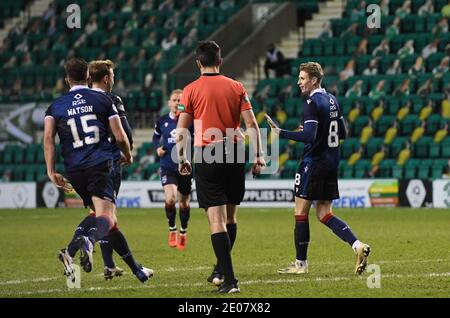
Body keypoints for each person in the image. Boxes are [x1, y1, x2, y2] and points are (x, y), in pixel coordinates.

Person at [44, 58, 152, 284]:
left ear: (66, 79)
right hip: (101, 164)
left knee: (99, 215)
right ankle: (88, 241)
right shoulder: (103, 100)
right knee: (107, 218)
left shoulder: (55, 106)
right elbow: (122, 136)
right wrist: (129, 155)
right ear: (87, 76)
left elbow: (48, 139)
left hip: (74, 169)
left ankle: (75, 253)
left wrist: (51, 170)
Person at [175, 41, 265, 293]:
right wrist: (259, 156)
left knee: (216, 220)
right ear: (220, 61)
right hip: (236, 151)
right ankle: (220, 270)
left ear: (198, 63)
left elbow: (182, 129)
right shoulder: (236, 86)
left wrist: (182, 159)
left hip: (208, 152)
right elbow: (251, 124)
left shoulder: (190, 90)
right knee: (230, 217)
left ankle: (231, 281)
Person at [265, 62, 371, 275]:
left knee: (300, 212)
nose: (299, 82)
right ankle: (357, 245)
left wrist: (281, 132)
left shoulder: (311, 101)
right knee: (324, 213)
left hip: (312, 164)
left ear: (314, 80)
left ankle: (300, 264)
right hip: (331, 164)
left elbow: (309, 136)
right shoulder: (332, 99)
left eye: (302, 78)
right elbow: (343, 133)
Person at [152, 89, 193, 251]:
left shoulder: (190, 120)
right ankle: (172, 230)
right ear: (169, 103)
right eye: (174, 100)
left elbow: (198, 137)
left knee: (184, 203)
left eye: (179, 100)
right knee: (170, 199)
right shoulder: (162, 121)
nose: (176, 102)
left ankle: (183, 231)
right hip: (167, 166)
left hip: (185, 168)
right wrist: (157, 148)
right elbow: (155, 137)